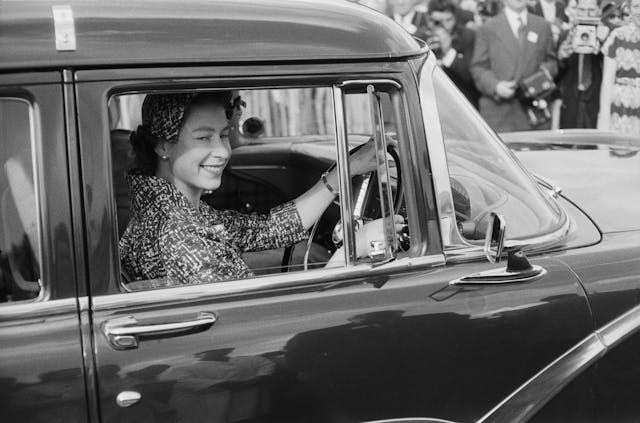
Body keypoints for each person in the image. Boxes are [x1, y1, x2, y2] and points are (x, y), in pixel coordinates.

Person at [119, 91, 404, 285]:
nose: (222, 152)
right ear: (162, 145)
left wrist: (346, 169)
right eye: (204, 138)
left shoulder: (173, 209)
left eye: (223, 135)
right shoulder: (181, 236)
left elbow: (267, 229)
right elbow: (269, 329)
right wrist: (354, 251)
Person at [471, 0, 558, 131]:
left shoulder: (542, 26)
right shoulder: (488, 28)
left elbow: (552, 61)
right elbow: (478, 67)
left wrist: (539, 79)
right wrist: (496, 86)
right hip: (500, 114)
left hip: (534, 114)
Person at [598, 0, 640, 136]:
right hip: (621, 107)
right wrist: (603, 121)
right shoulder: (617, 36)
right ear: (629, 9)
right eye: (636, 6)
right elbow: (607, 82)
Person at [428, 0, 480, 107]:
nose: (445, 26)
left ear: (455, 18)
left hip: (462, 103)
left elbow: (472, 77)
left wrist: (448, 52)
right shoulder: (419, 39)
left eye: (448, 20)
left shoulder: (467, 36)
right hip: (432, 104)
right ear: (429, 20)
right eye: (438, 22)